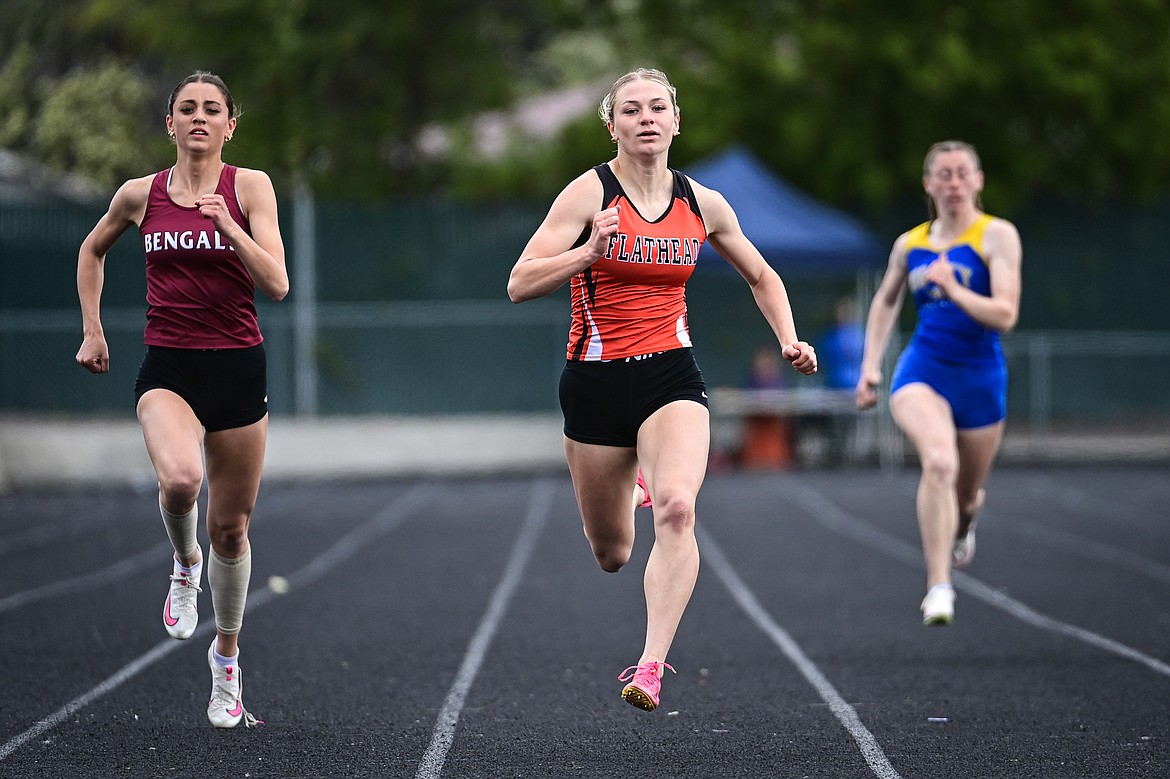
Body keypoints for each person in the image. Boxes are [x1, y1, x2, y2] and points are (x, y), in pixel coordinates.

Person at [507, 68, 817, 712]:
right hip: (593, 381)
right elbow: (521, 281)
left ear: (676, 121)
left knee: (679, 507)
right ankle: (634, 483)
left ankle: (650, 665)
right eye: (631, 110)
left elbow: (762, 275)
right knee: (612, 553)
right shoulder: (587, 194)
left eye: (657, 108)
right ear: (613, 125)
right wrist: (588, 253)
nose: (645, 119)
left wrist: (788, 338)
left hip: (669, 375)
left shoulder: (703, 204)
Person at [75, 71, 288, 727]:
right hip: (168, 365)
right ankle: (182, 562)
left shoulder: (248, 188)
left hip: (237, 367)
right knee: (179, 479)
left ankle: (226, 662)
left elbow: (277, 282)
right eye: (187, 108)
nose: (199, 117)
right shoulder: (140, 195)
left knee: (232, 526)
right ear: (169, 124)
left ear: (231, 124)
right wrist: (93, 328)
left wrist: (230, 226)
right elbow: (92, 249)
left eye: (212, 109)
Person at [855, 140, 1022, 626]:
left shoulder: (997, 236)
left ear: (978, 180)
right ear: (928, 184)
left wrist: (953, 288)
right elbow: (886, 301)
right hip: (922, 369)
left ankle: (963, 525)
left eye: (962, 173)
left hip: (980, 377)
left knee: (967, 497)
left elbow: (1006, 314)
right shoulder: (910, 245)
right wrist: (871, 365)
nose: (953, 183)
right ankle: (939, 586)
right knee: (939, 462)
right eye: (943, 174)